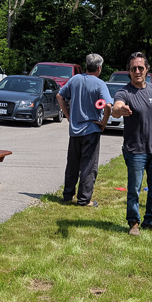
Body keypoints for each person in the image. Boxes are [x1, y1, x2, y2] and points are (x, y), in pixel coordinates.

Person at [111, 52, 152, 236]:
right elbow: (116, 109)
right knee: (134, 188)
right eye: (133, 68)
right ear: (129, 70)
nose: (137, 71)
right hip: (135, 150)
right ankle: (134, 223)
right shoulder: (124, 92)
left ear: (147, 70)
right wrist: (121, 109)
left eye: (140, 68)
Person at [57, 53, 113, 207]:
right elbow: (108, 105)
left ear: (86, 65)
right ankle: (84, 200)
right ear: (99, 68)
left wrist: (68, 116)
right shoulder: (100, 84)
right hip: (91, 130)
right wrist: (104, 122)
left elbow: (59, 96)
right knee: (88, 166)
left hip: (74, 130)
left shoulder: (75, 80)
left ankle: (68, 195)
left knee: (72, 164)